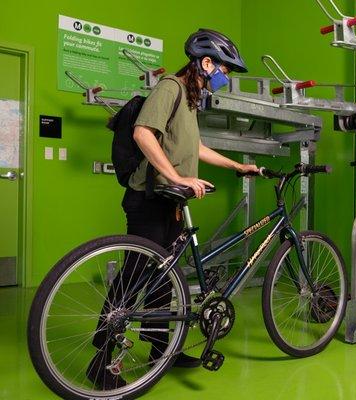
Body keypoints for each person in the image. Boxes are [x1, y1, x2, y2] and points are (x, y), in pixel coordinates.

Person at [87, 29, 259, 390]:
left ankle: (162, 350)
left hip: (170, 202)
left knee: (165, 278)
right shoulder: (171, 88)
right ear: (206, 62)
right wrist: (176, 177)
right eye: (225, 70)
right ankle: (101, 355)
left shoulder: (191, 100)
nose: (226, 78)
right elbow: (143, 134)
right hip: (149, 199)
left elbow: (195, 148)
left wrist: (236, 166)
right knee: (136, 276)